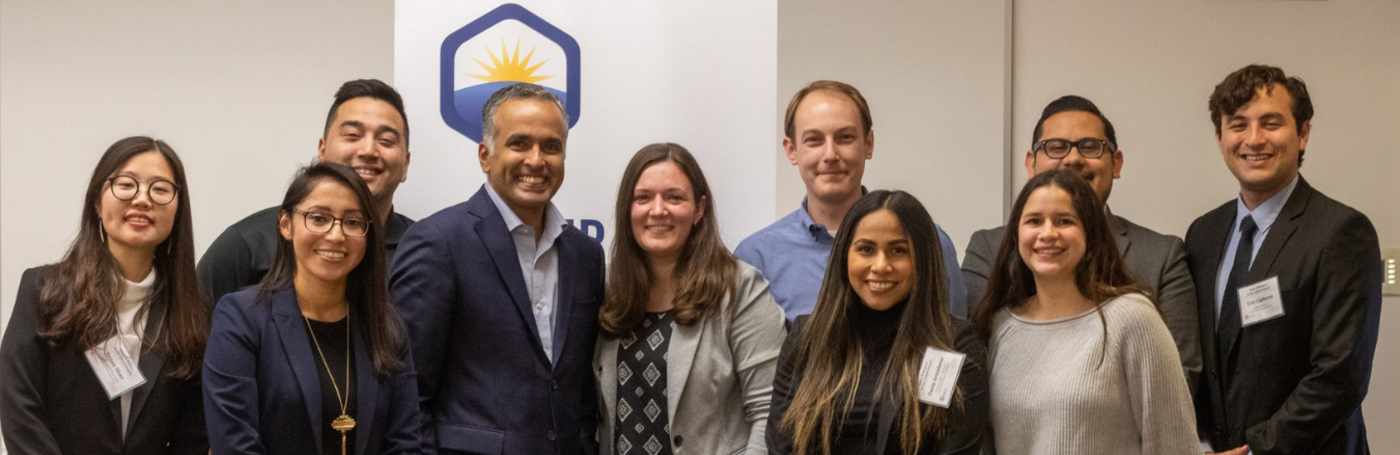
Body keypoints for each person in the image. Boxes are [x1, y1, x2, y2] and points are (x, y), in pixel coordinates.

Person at [391, 83, 605, 454]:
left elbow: (580, 390)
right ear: (485, 156)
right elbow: (406, 390)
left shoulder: (586, 256)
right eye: (519, 143)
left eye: (551, 146)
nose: (536, 160)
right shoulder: (439, 242)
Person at [1188, 64, 1381, 455]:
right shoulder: (1202, 234)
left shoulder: (1341, 232)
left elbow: (1339, 375)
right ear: (1220, 138)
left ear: (1303, 133)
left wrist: (1256, 451)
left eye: (1271, 123)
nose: (1254, 139)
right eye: (1238, 125)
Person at [961, 95, 1201, 394]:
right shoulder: (988, 247)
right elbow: (974, 362)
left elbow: (1180, 375)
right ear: (1031, 163)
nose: (1073, 159)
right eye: (1056, 147)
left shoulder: (1163, 255)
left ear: (1116, 163)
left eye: (1090, 147)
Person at [0, 136, 209, 454]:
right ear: (97, 203)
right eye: (126, 185)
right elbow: (18, 405)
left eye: (160, 189)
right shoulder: (44, 290)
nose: (142, 199)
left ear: (178, 210)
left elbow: (193, 435)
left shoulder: (191, 311)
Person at [203, 162, 419, 455]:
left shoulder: (387, 327)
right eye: (319, 218)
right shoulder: (241, 318)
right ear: (286, 224)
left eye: (353, 222)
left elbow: (404, 444)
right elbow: (233, 444)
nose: (336, 235)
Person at [974, 170, 1197, 454]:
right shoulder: (999, 326)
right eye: (1034, 221)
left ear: (1090, 232)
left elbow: (1175, 445)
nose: (1047, 233)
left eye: (1064, 221)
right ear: (1016, 234)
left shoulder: (1132, 318)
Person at [595, 143, 787, 454]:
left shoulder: (739, 289)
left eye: (674, 197)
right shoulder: (607, 289)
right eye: (643, 198)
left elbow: (771, 411)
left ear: (699, 209)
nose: (658, 210)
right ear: (627, 209)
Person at [768, 190, 988, 455]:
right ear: (844, 256)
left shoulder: (954, 344)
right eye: (866, 249)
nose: (881, 265)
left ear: (922, 259)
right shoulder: (807, 338)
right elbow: (781, 445)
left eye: (898, 250)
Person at [736, 80, 969, 320]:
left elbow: (951, 337)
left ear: (868, 144)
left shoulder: (928, 241)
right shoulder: (756, 257)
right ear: (791, 150)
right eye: (814, 140)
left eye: (845, 137)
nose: (830, 155)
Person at [199, 79, 415, 303]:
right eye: (352, 135)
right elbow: (192, 323)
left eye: (386, 140)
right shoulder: (247, 244)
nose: (368, 150)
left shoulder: (422, 249)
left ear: (405, 165)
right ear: (322, 151)